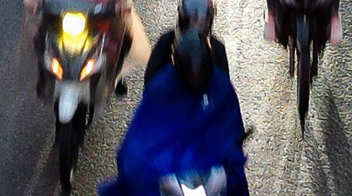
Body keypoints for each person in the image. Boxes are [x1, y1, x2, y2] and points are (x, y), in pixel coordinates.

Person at [100, 31, 249, 196]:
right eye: (191, 74)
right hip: (168, 167)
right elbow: (143, 136)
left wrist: (224, 168)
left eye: (200, 74)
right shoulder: (161, 88)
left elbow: (231, 129)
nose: (196, 79)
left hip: (211, 165)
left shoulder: (221, 86)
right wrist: (161, 171)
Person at [142, 0, 230, 87]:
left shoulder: (217, 47)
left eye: (205, 19)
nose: (200, 23)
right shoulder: (167, 42)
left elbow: (224, 87)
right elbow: (151, 82)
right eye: (195, 18)